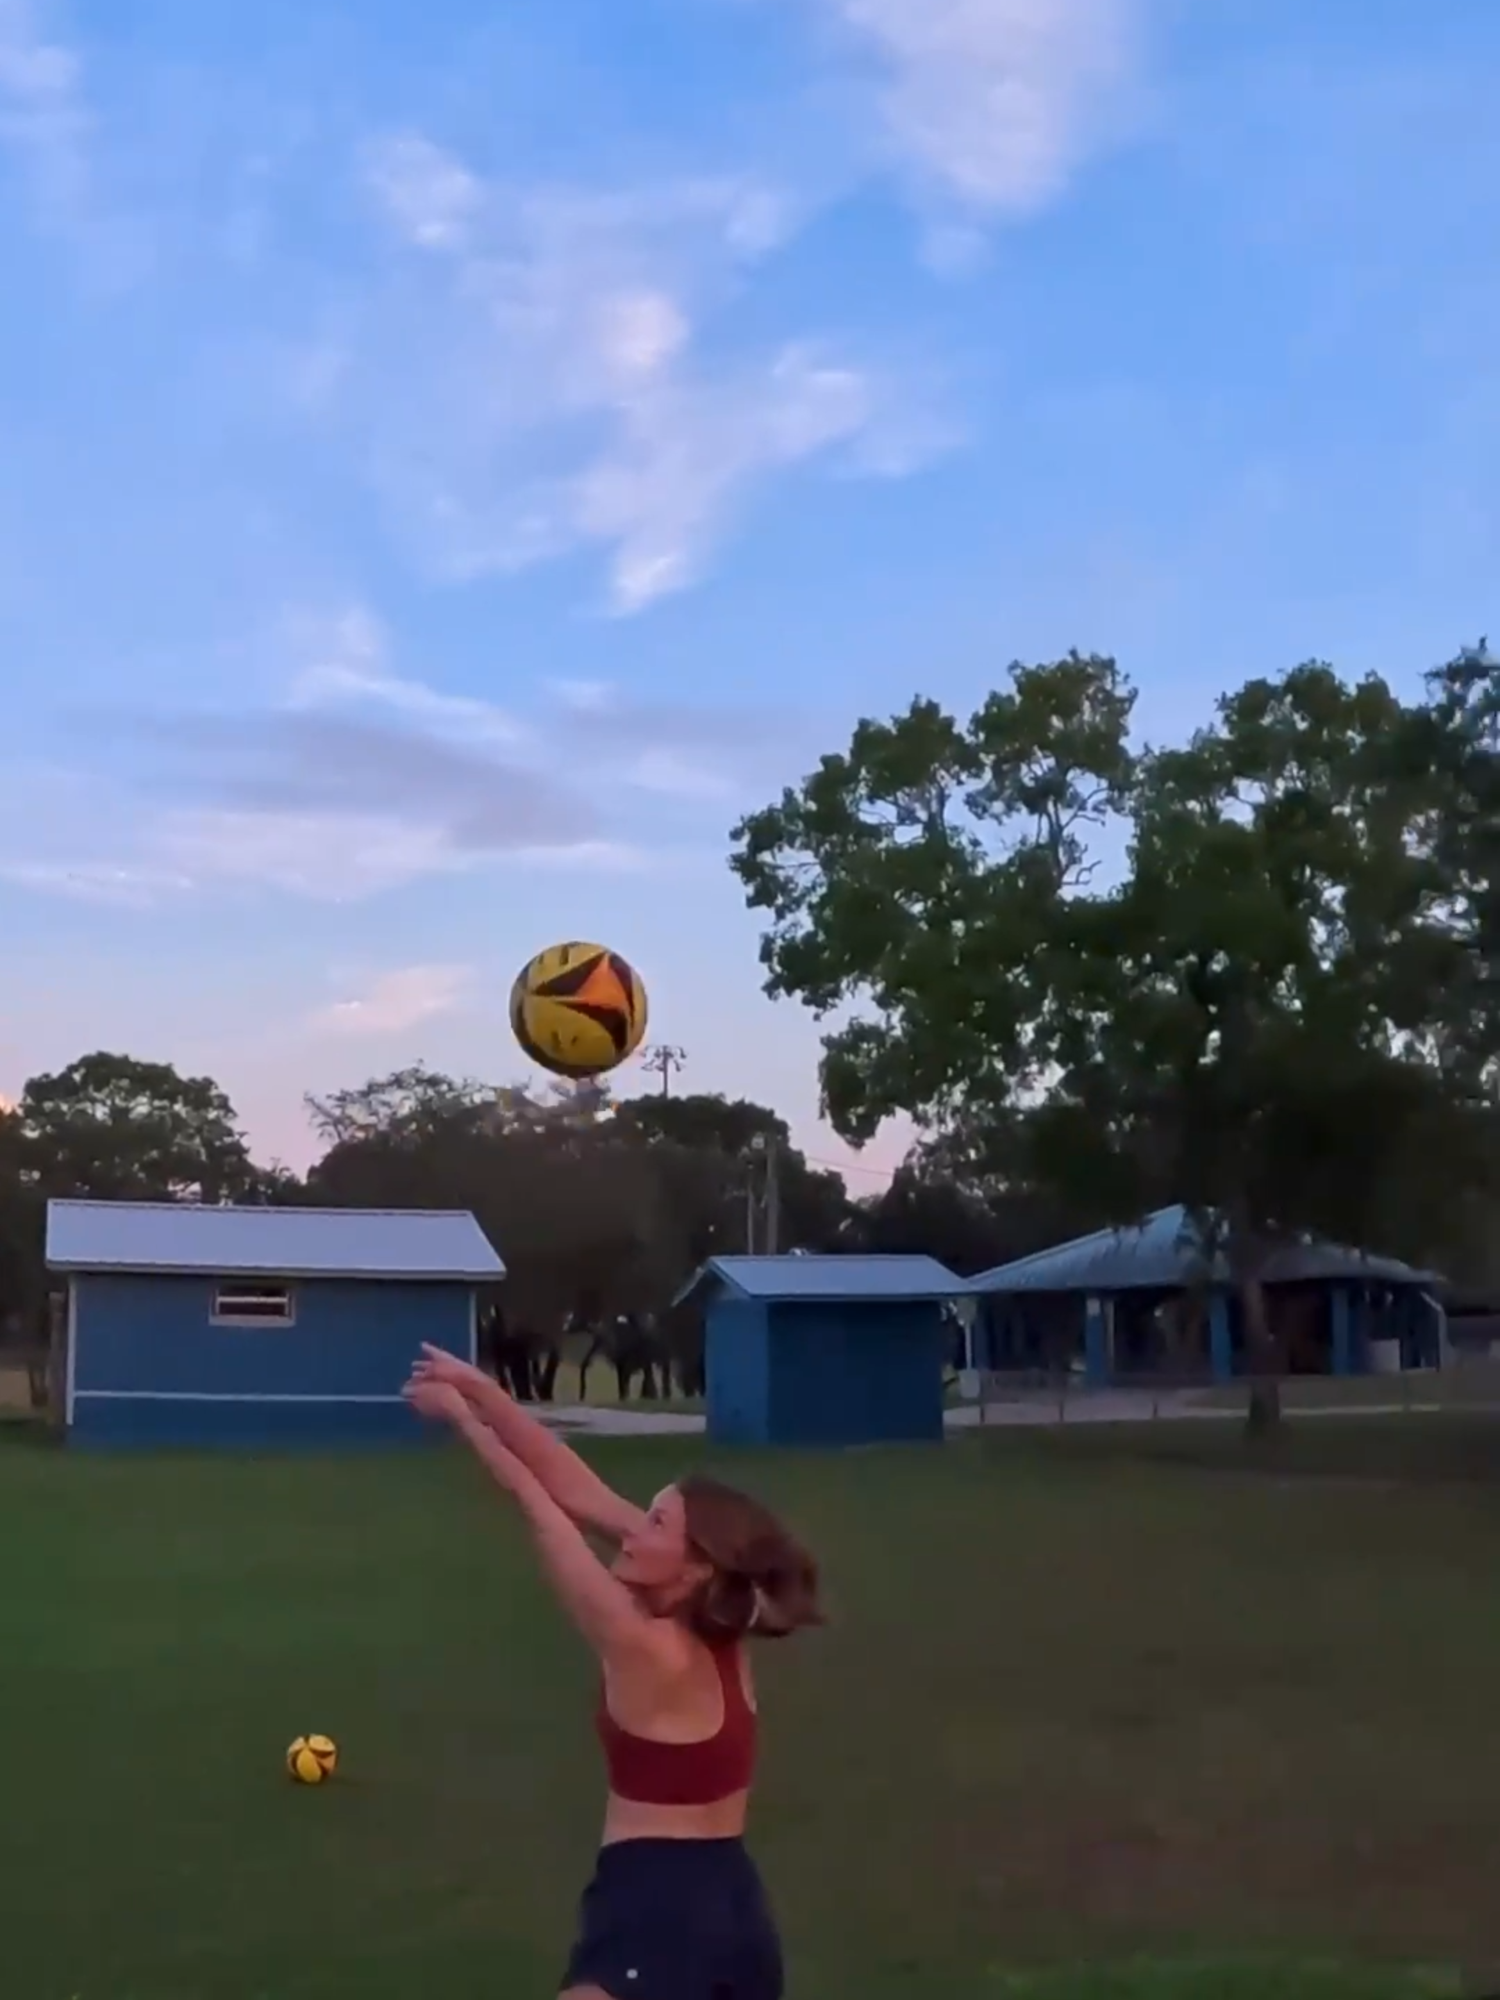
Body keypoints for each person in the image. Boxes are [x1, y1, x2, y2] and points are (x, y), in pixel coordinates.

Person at [403, 1342, 823, 2000]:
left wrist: (461, 1417)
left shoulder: (644, 1645)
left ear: (694, 1564)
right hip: (737, 1908)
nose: (632, 1529)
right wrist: (482, 1388)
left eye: (654, 1521)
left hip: (656, 1908)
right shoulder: (721, 1609)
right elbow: (572, 1483)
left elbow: (538, 1503)